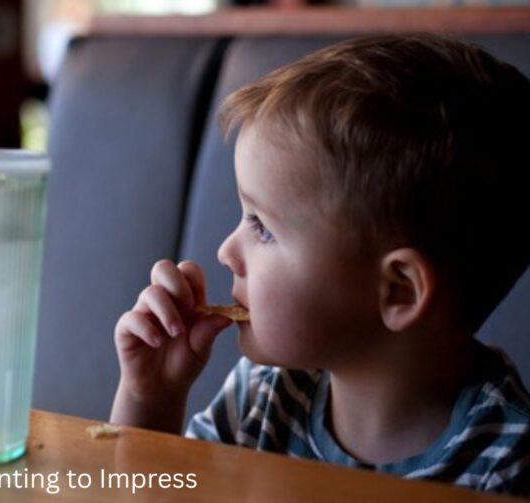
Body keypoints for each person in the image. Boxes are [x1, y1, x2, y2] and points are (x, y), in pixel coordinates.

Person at [110, 34, 530, 496]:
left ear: (398, 291)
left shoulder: (505, 463)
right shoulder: (265, 397)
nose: (227, 250)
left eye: (262, 227)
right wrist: (150, 399)